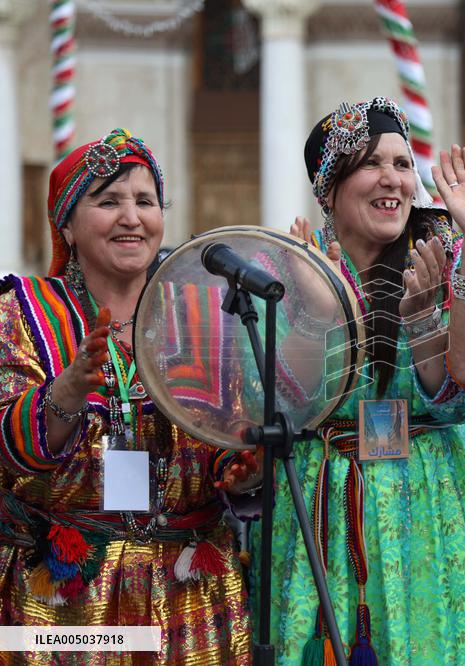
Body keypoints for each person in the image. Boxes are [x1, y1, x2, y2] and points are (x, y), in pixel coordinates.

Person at [224, 97, 465, 665]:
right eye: (371, 163)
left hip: (430, 501)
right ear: (328, 188)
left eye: (403, 164)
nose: (393, 180)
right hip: (321, 499)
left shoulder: (445, 255)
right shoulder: (287, 271)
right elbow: (271, 410)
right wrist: (314, 308)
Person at [0, 128, 251, 663]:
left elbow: (227, 430)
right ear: (66, 223)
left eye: (145, 201)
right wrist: (63, 394)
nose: (131, 216)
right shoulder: (18, 310)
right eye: (108, 201)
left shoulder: (208, 314)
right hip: (64, 593)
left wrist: (240, 466)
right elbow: (9, 450)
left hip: (190, 593)